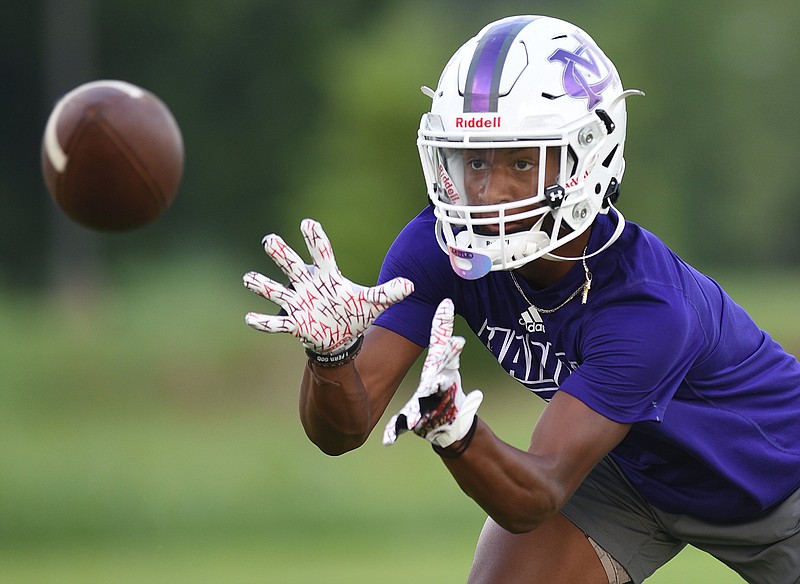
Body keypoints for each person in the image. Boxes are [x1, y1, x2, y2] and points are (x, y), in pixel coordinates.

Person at [242, 15, 800, 584]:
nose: (488, 192)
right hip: (628, 469)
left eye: (520, 161)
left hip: (774, 484)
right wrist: (330, 360)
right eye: (476, 161)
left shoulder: (648, 306)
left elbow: (537, 492)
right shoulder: (441, 247)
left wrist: (458, 430)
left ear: (588, 160)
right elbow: (344, 430)